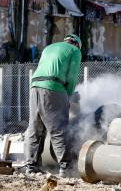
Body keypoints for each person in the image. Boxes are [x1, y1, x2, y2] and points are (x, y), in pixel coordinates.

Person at [25, 34, 82, 177]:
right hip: (53, 87)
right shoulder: (75, 51)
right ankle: (65, 168)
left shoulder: (49, 47)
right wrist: (68, 95)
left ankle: (31, 167)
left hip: (35, 86)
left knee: (35, 127)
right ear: (77, 44)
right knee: (59, 127)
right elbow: (72, 75)